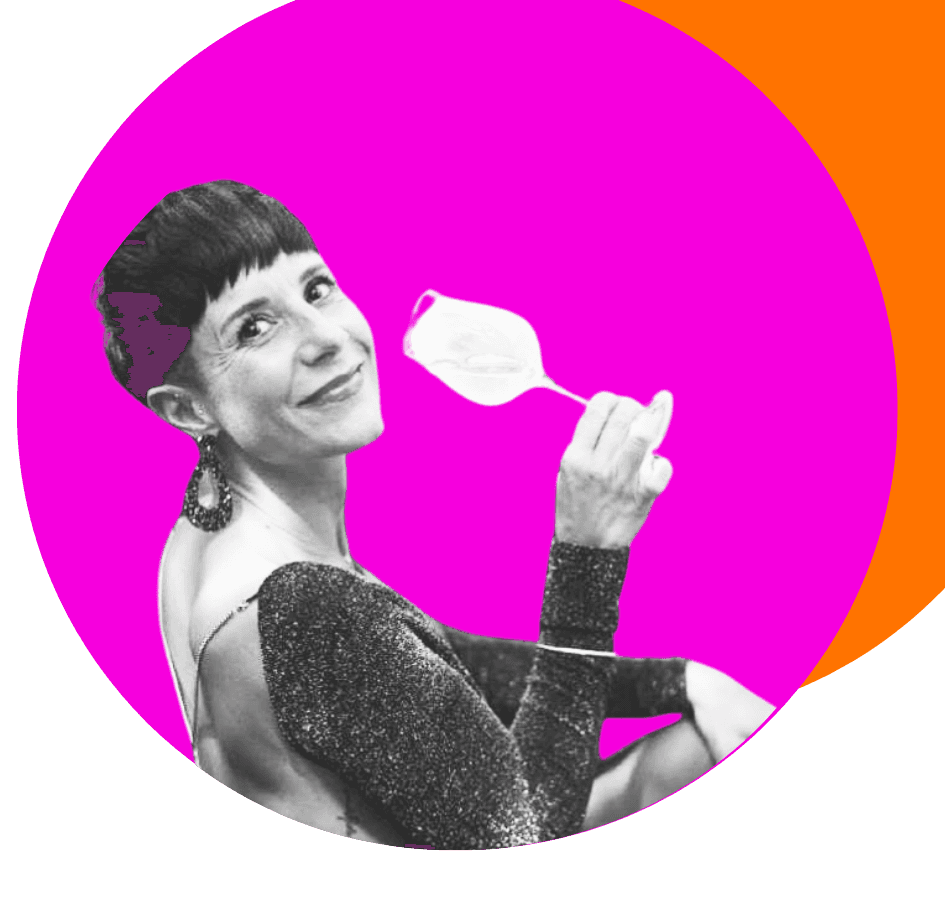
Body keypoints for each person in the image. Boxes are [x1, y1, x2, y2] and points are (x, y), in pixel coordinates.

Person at [97, 180, 774, 849]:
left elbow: (431, 668)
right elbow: (526, 840)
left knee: (698, 742)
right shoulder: (300, 605)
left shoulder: (212, 541)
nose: (325, 338)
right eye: (255, 327)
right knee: (705, 757)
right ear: (187, 409)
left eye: (316, 289)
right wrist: (588, 552)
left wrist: (678, 680)